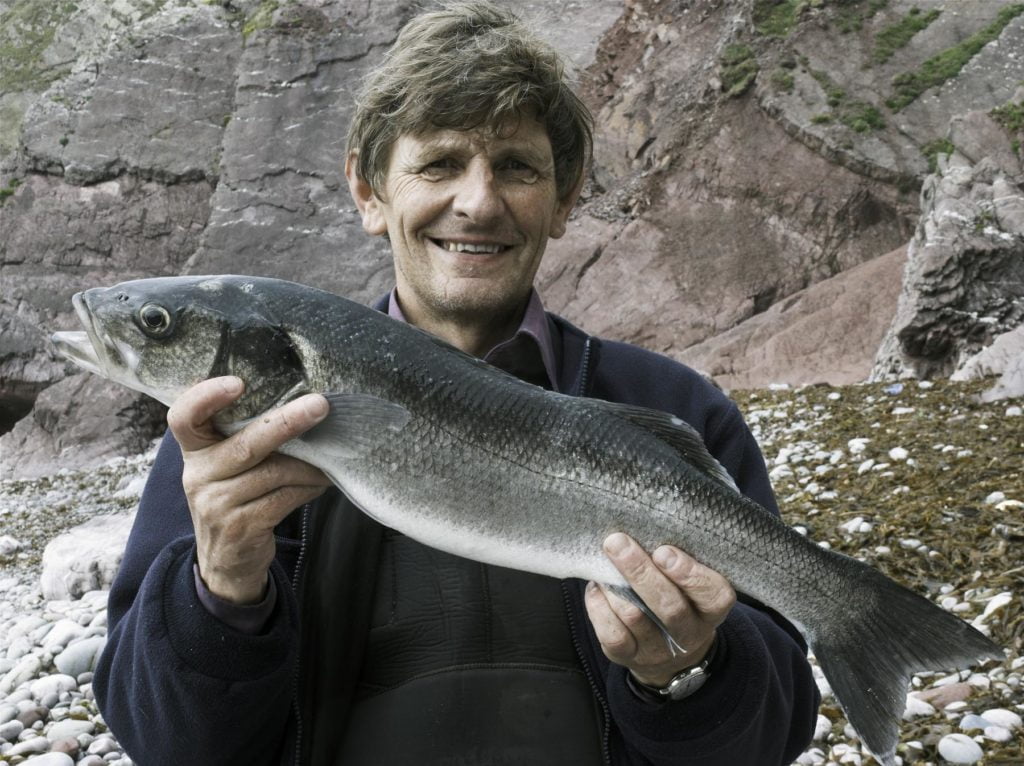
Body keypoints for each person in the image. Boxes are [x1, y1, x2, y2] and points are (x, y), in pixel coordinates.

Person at [94, 3, 820, 764]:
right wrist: (218, 593)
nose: (478, 201)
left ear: (564, 199)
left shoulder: (680, 409)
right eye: (439, 163)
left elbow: (769, 737)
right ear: (369, 192)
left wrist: (689, 673)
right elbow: (169, 745)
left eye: (516, 167)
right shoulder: (221, 444)